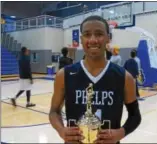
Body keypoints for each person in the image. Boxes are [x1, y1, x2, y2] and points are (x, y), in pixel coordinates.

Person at [49, 15, 141, 144]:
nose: (93, 40)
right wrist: (61, 130)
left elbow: (135, 116)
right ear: (81, 39)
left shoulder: (125, 77)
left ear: (108, 38)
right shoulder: (64, 75)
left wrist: (120, 133)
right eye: (87, 34)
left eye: (99, 34)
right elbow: (54, 112)